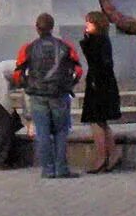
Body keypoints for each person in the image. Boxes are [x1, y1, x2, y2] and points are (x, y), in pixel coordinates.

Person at [13, 12, 84, 179]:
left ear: (37, 28)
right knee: (61, 131)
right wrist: (69, 84)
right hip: (59, 93)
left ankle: (48, 169)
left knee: (43, 133)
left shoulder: (28, 48)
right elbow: (78, 70)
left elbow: (18, 73)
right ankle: (62, 168)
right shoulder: (65, 46)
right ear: (52, 27)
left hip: (37, 94)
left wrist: (27, 84)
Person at [80, 11, 123, 174]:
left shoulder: (98, 41)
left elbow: (97, 62)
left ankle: (101, 157)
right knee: (102, 121)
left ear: (96, 24)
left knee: (96, 121)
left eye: (89, 23)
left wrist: (87, 40)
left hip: (98, 84)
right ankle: (112, 154)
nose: (86, 26)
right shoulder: (100, 40)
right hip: (103, 83)